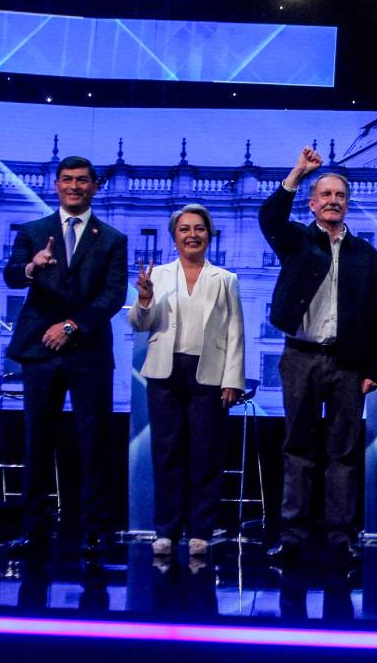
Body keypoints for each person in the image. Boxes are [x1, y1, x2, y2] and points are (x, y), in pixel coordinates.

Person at [260, 147, 377, 565]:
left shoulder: (366, 255)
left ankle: (341, 536)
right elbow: (270, 219)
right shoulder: (297, 240)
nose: (333, 200)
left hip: (347, 363)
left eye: (339, 195)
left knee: (343, 453)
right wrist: (297, 173)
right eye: (325, 195)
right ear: (313, 203)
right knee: (297, 448)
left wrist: (375, 368)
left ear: (347, 204)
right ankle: (293, 536)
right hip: (300, 357)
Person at [2, 155, 128, 556]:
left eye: (82, 180)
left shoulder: (112, 239)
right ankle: (33, 531)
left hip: (88, 350)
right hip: (39, 349)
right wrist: (30, 267)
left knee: (94, 441)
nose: (74, 186)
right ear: (56, 185)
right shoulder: (33, 231)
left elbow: (113, 295)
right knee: (37, 441)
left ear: (95, 186)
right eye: (67, 179)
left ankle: (95, 531)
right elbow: (11, 275)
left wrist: (72, 325)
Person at [129, 203, 245, 558]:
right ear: (174, 236)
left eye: (199, 228)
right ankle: (166, 531)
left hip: (209, 374)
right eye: (184, 229)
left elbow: (236, 330)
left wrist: (232, 379)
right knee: (167, 453)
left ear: (209, 235)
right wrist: (144, 299)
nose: (192, 235)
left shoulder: (225, 279)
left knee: (205, 455)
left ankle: (200, 531)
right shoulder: (159, 275)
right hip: (165, 373)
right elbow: (139, 324)